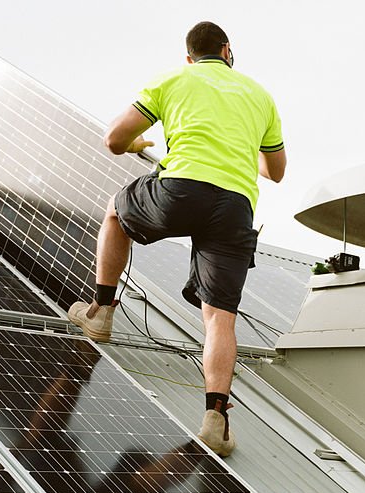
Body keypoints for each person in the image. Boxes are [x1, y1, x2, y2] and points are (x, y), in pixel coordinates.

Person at [67, 21, 286, 457]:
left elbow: (114, 138)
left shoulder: (174, 78)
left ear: (190, 57)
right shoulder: (260, 96)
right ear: (228, 51)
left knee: (115, 210)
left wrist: (136, 144)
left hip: (181, 189)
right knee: (219, 319)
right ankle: (216, 420)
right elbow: (275, 171)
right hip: (236, 205)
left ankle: (101, 312)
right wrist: (243, 150)